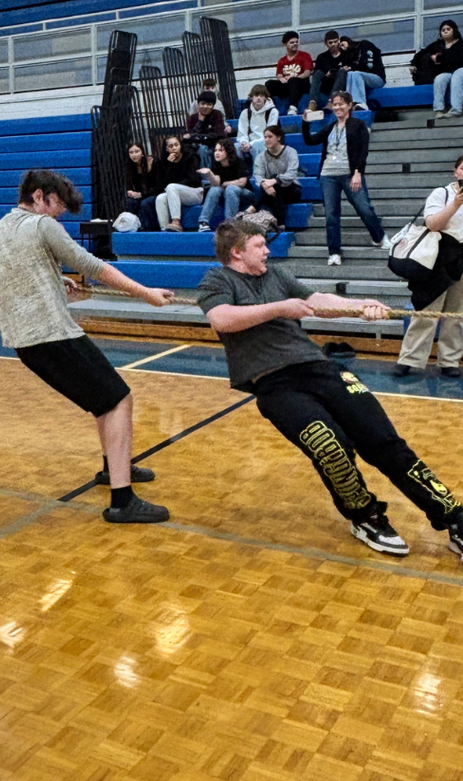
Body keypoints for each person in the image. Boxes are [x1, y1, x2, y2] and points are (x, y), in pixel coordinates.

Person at [198, 219, 463, 562]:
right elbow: (222, 319)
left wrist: (360, 305)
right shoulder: (217, 280)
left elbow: (317, 299)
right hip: (273, 383)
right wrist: (281, 308)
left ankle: (454, 517)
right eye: (259, 246)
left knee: (383, 441)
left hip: (318, 367)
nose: (267, 250)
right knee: (331, 446)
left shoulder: (276, 276)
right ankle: (365, 516)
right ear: (236, 252)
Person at [0, 169, 173, 523]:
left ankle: (112, 468)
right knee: (119, 400)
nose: (59, 213)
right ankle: (122, 500)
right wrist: (146, 293)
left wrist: (52, 277)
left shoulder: (3, 227)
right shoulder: (42, 225)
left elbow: (12, 269)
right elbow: (93, 266)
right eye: (56, 204)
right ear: (39, 196)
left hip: (26, 342)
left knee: (103, 402)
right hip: (51, 335)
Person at [303, 91, 390, 267]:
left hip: (350, 173)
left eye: (341, 103)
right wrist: (305, 123)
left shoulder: (358, 125)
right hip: (328, 175)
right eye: (334, 104)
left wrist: (358, 172)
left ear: (349, 105)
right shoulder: (330, 127)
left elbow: (362, 151)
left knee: (364, 207)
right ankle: (334, 251)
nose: (337, 107)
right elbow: (310, 141)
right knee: (331, 215)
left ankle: (379, 237)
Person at [394, 155, 463, 378]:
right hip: (439, 259)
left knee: (457, 315)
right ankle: (409, 358)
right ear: (456, 172)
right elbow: (432, 224)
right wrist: (456, 204)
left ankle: (450, 361)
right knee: (426, 311)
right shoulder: (442, 193)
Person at [249, 124, 301, 230]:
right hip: (270, 192)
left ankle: (253, 207)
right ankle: (280, 224)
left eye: (270, 136)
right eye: (265, 137)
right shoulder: (261, 156)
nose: (267, 140)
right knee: (276, 189)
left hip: (291, 189)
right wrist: (266, 185)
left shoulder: (291, 152)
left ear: (278, 137)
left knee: (275, 182)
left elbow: (291, 175)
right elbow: (258, 176)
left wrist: (274, 180)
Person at [197, 139, 252, 231]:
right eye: (215, 150)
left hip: (245, 195)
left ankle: (229, 223)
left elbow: (242, 182)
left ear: (228, 152)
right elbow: (216, 183)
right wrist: (210, 174)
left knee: (230, 188)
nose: (216, 153)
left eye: (220, 150)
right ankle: (203, 222)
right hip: (227, 194)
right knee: (214, 189)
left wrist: (226, 184)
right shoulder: (217, 164)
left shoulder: (239, 162)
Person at [153, 135, 204, 232]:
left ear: (180, 145)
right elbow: (162, 183)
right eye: (171, 146)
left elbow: (193, 179)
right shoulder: (164, 162)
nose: (174, 148)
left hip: (194, 192)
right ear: (167, 149)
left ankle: (176, 221)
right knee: (160, 198)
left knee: (171, 187)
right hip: (174, 193)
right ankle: (165, 230)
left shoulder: (191, 157)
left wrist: (175, 186)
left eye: (176, 145)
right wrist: (170, 165)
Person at [265, 31, 313, 115]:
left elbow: (307, 73)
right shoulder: (282, 60)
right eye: (292, 42)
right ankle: (269, 107)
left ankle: (293, 108)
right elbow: (279, 74)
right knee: (269, 83)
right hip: (288, 85)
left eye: (296, 42)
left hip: (301, 85)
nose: (295, 44)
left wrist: (294, 78)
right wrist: (282, 79)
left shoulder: (304, 56)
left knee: (293, 81)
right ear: (285, 44)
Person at [334, 35, 385, 110]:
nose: (342, 47)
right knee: (350, 74)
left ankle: (361, 103)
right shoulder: (347, 55)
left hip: (377, 78)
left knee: (355, 74)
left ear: (347, 41)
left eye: (342, 44)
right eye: (340, 47)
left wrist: (352, 67)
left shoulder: (364, 45)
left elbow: (368, 66)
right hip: (362, 77)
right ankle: (351, 103)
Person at [426, 20, 463, 119]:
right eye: (443, 30)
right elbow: (422, 54)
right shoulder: (438, 45)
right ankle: (439, 109)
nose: (445, 31)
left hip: (461, 70)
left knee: (457, 74)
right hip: (449, 72)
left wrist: (439, 58)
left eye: (448, 29)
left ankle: (456, 110)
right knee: (440, 78)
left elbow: (458, 60)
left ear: (454, 30)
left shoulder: (461, 43)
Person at [184, 90, 231, 167]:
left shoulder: (217, 114)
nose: (205, 106)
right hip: (198, 147)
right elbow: (191, 135)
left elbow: (218, 134)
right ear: (198, 104)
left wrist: (200, 137)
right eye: (202, 104)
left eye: (209, 104)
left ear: (213, 106)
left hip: (214, 145)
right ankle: (204, 176)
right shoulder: (192, 118)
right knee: (202, 149)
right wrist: (200, 121)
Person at [235, 84, 279, 162]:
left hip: (266, 141)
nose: (258, 98)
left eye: (261, 96)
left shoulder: (273, 112)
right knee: (236, 147)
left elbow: (270, 134)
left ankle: (258, 172)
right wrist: (244, 142)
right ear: (252, 97)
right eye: (256, 95)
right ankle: (240, 172)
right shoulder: (245, 112)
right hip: (249, 141)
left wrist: (251, 144)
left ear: (265, 97)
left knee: (257, 146)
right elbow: (242, 133)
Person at [306, 30, 343, 113]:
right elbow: (317, 74)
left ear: (339, 40)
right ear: (326, 43)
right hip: (326, 82)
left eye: (335, 41)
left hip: (341, 82)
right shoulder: (322, 57)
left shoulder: (346, 55)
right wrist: (326, 74)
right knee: (318, 73)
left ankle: (332, 101)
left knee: (342, 71)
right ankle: (313, 102)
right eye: (330, 42)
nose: (333, 44)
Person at [123, 141, 155, 229]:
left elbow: (157, 186)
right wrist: (131, 192)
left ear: (142, 152)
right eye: (131, 152)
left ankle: (147, 229)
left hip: (153, 193)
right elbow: (128, 185)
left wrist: (148, 171)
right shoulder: (129, 167)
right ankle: (133, 227)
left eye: (137, 151)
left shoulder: (151, 162)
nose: (134, 155)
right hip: (139, 194)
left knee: (145, 203)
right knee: (130, 202)